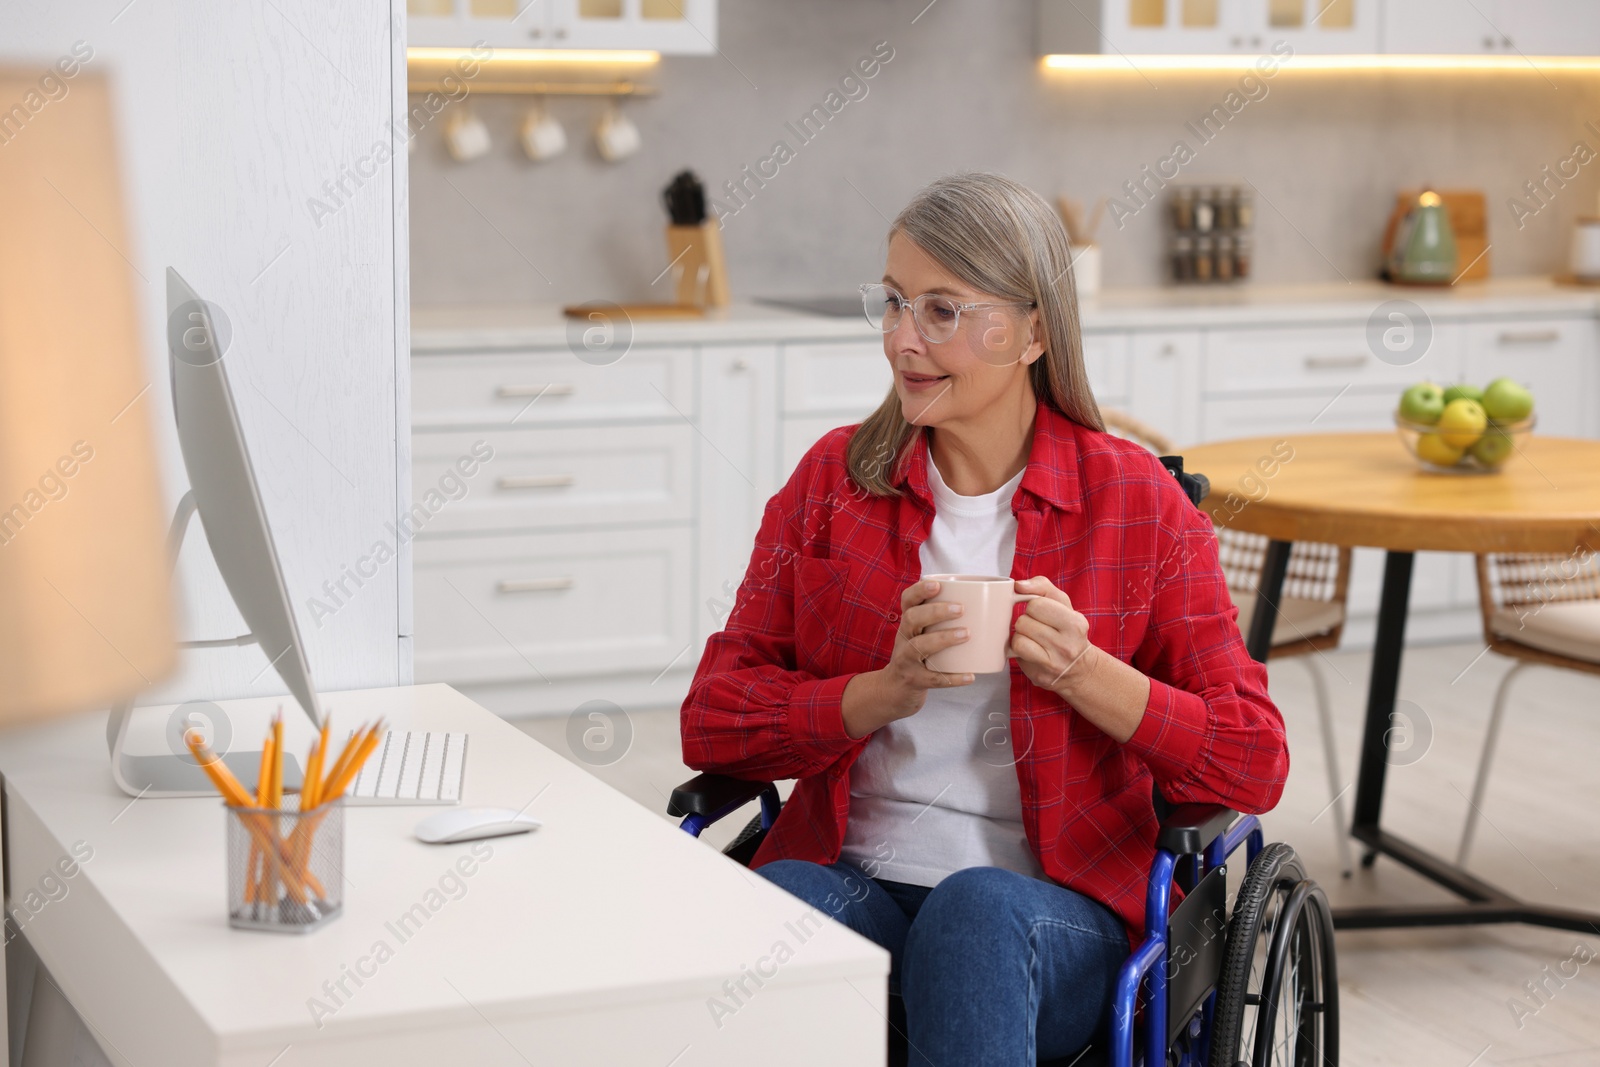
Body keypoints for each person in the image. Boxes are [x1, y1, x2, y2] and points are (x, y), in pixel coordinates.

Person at [679, 172, 1288, 1066]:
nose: (900, 339)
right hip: (862, 882)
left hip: (1052, 912)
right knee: (782, 906)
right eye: (892, 303)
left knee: (975, 909)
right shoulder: (831, 485)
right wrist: (875, 694)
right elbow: (712, 716)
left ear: (1034, 331)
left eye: (941, 310)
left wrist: (1089, 676)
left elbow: (1254, 755)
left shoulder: (1138, 503)